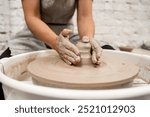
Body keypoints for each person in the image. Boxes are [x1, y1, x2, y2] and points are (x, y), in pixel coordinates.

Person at [8, 0, 102, 65]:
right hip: (35, 34)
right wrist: (56, 42)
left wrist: (88, 40)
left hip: (67, 35)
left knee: (104, 52)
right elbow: (32, 16)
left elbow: (84, 17)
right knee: (5, 67)